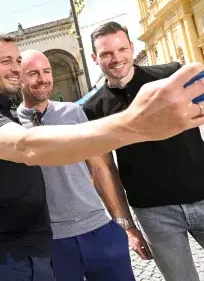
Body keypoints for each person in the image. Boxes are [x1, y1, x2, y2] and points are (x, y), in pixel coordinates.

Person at [0, 34, 204, 281]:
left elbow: (101, 168)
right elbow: (25, 146)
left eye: (18, 61)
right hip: (21, 254)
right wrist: (134, 124)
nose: (17, 68)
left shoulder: (28, 112)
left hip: (57, 245)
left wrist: (122, 224)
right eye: (6, 61)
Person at [83, 21, 204, 281]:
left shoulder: (170, 76)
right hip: (154, 214)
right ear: (95, 58)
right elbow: (104, 171)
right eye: (106, 53)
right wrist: (127, 227)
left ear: (131, 48)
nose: (116, 59)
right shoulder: (93, 108)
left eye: (121, 49)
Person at [17, 49, 143, 280]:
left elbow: (101, 169)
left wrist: (124, 226)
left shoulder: (73, 113)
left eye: (46, 71)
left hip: (100, 232)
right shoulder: (10, 125)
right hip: (52, 243)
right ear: (19, 78)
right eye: (33, 73)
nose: (42, 79)